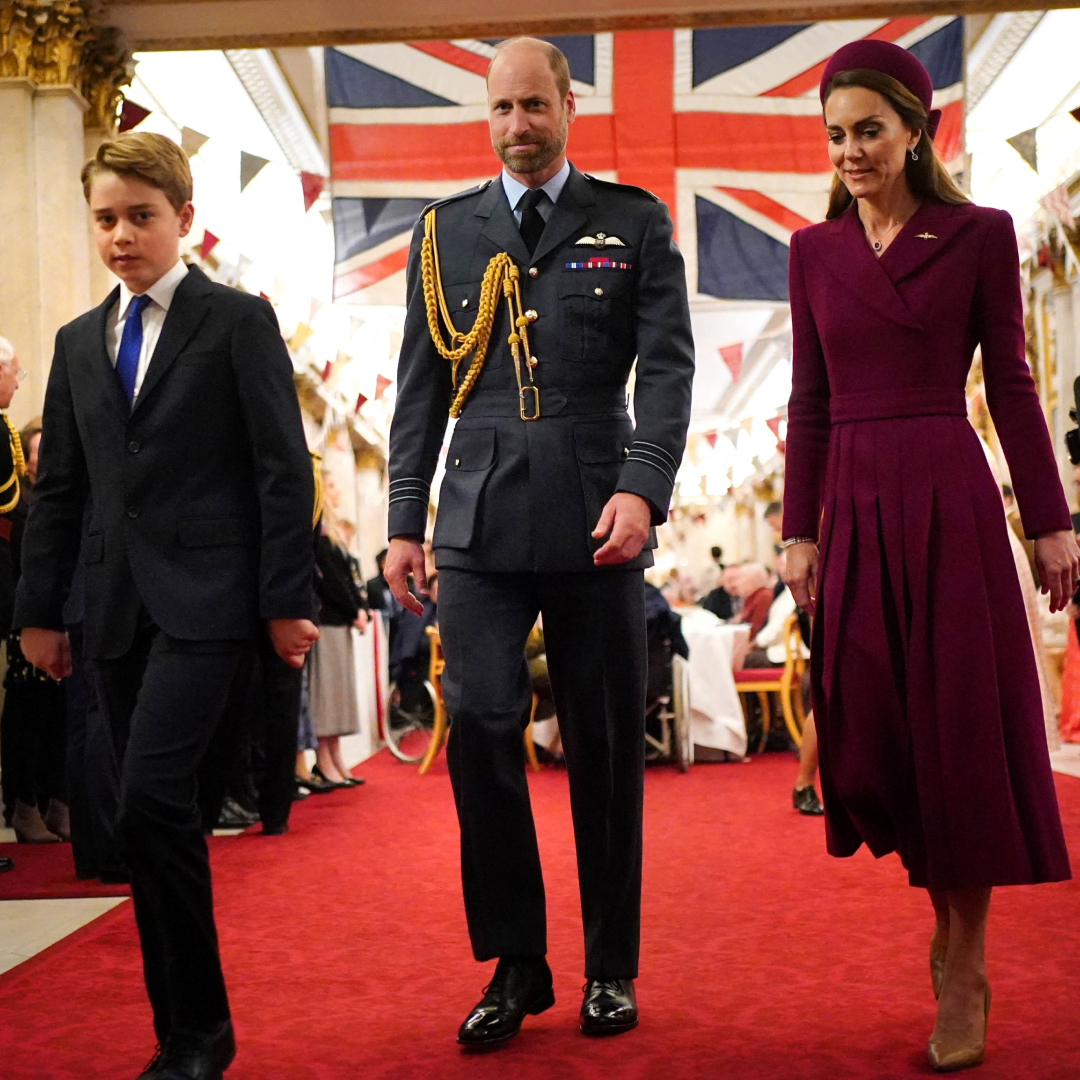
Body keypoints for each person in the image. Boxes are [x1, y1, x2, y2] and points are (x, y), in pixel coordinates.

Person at [385, 36, 694, 1047]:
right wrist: (400, 520)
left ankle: (611, 965)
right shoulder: (445, 235)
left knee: (603, 742)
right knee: (479, 727)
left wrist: (644, 489)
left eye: (535, 107)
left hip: (597, 518)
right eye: (501, 110)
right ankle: (516, 965)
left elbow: (669, 371)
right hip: (474, 522)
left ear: (569, 104)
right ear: (488, 115)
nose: (518, 128)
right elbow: (419, 394)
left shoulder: (631, 223)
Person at [782, 41, 1077, 1073]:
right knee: (872, 739)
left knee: (959, 732)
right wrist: (797, 531)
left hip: (949, 494)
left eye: (869, 129)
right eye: (835, 134)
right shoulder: (810, 254)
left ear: (918, 130)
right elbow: (808, 403)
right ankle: (939, 912)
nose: (851, 151)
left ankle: (965, 958)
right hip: (852, 506)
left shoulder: (981, 236)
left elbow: (1012, 386)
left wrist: (1050, 521)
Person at [15, 132, 317, 1080]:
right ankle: (183, 1030)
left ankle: (197, 1034)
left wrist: (284, 602)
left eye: (140, 217)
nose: (120, 236)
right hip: (107, 608)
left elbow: (281, 470)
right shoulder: (73, 344)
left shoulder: (235, 322)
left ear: (183, 219)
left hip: (212, 606)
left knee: (151, 796)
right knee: (139, 817)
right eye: (105, 218)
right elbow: (59, 488)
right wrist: (38, 611)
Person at [308, 473, 368, 789]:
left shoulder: (333, 534)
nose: (336, 492)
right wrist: (353, 609)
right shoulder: (319, 532)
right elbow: (330, 580)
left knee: (338, 693)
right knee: (327, 695)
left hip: (339, 620)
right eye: (330, 486)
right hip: (329, 619)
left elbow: (347, 577)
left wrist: (358, 607)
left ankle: (335, 756)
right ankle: (324, 760)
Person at [732, 563, 773, 639]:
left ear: (752, 580)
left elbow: (757, 629)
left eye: (739, 578)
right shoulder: (751, 597)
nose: (736, 584)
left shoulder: (764, 597)